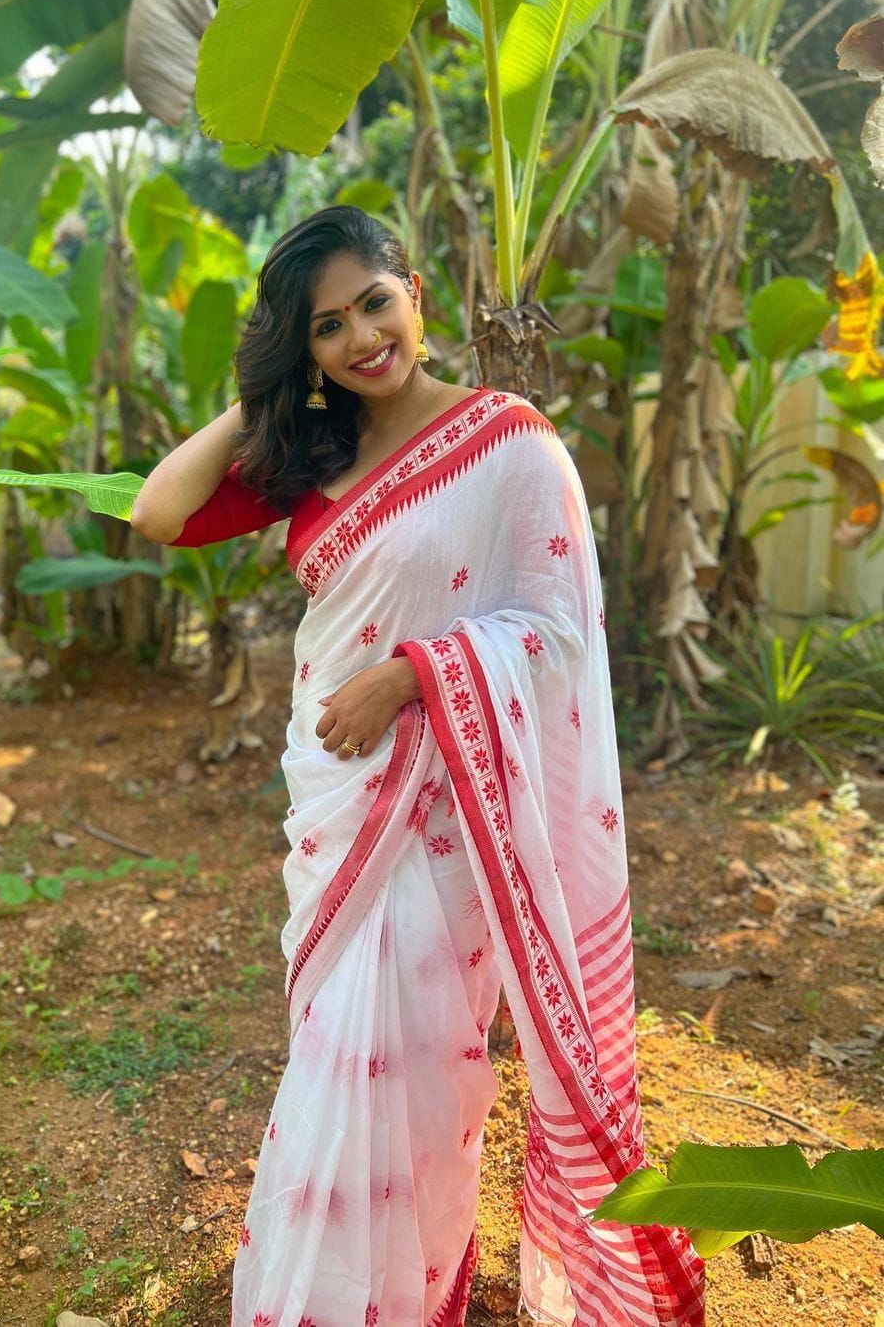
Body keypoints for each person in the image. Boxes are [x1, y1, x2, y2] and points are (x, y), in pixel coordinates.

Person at [130, 206, 705, 1327]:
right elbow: (161, 509)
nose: (362, 339)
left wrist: (413, 672)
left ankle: (408, 1288)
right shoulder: (316, 452)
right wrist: (267, 391)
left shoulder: (514, 440)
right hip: (340, 805)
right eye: (328, 327)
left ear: (419, 291)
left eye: (373, 303)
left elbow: (559, 633)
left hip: (446, 808)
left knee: (418, 1060)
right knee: (339, 1055)